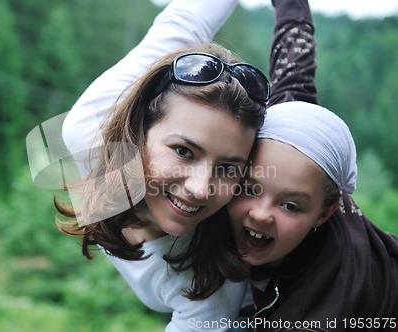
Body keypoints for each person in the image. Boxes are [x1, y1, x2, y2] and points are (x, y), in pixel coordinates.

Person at [56, 0, 270, 331]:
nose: (200, 189)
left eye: (228, 168)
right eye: (184, 151)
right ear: (139, 130)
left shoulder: (209, 284)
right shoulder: (89, 128)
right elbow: (184, 20)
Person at [222, 3, 398, 331]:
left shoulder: (323, 303)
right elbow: (295, 64)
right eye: (249, 188)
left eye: (290, 205)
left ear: (323, 213)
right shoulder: (294, 139)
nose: (261, 214)